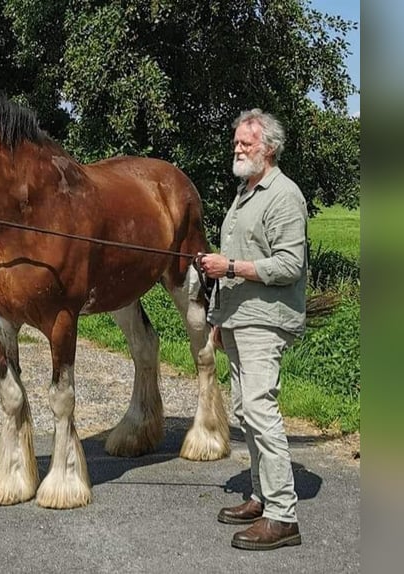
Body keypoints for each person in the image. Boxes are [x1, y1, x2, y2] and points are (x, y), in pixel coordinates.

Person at [199, 108, 307, 551]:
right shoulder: (246, 193)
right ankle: (262, 497)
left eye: (247, 143)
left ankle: (283, 516)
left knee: (261, 411)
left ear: (270, 148)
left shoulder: (283, 195)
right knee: (245, 412)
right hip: (240, 319)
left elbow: (289, 264)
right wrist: (220, 320)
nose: (238, 148)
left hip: (266, 320)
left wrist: (231, 267)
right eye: (237, 142)